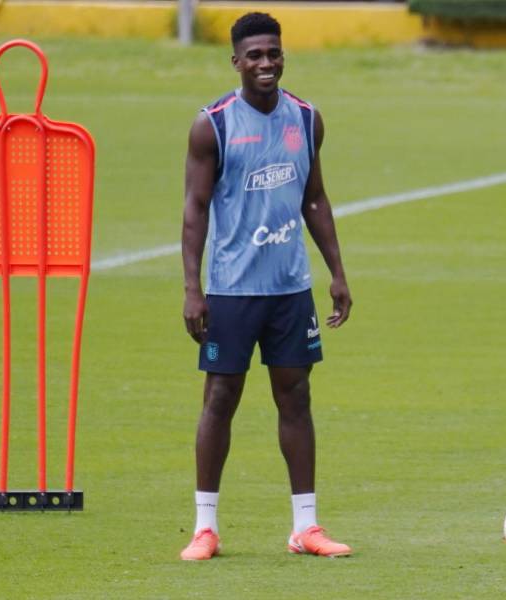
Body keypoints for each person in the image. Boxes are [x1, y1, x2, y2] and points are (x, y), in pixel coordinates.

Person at [179, 12, 353, 560]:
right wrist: (192, 287)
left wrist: (337, 272)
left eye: (273, 53)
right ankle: (205, 527)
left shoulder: (305, 118)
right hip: (231, 290)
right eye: (254, 55)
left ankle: (306, 527)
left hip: (289, 288)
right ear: (236, 61)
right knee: (220, 399)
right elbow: (195, 209)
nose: (266, 63)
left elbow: (315, 199)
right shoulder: (214, 125)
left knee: (296, 398)